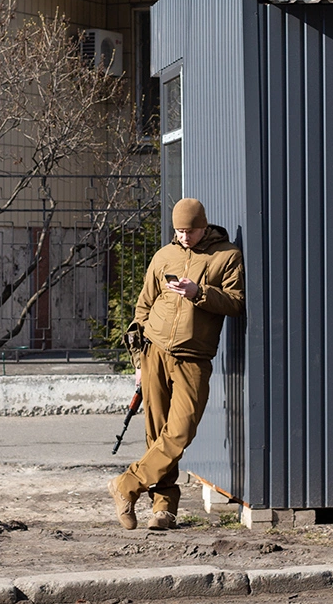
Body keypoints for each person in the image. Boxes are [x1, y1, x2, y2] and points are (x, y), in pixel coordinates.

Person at [108, 197, 245, 530]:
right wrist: (139, 359)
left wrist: (199, 292)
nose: (184, 236)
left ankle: (127, 484)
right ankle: (163, 509)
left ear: (204, 225)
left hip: (194, 358)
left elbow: (236, 302)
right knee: (156, 434)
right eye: (179, 231)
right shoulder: (163, 256)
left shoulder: (227, 256)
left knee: (180, 431)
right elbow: (143, 308)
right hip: (154, 351)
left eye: (190, 230)